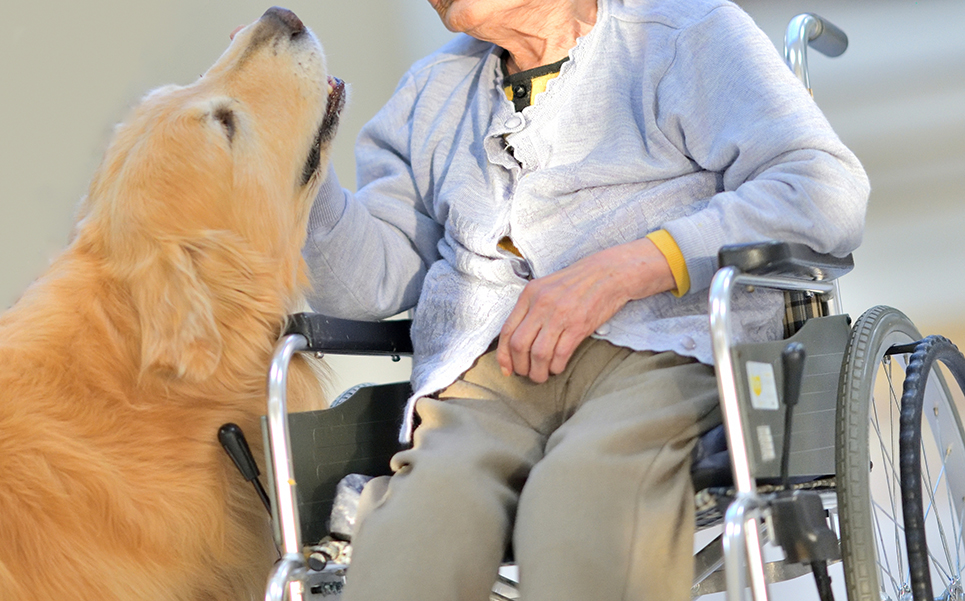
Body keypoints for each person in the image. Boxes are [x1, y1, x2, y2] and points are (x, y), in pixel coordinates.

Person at [302, 0, 869, 599]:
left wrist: (626, 268)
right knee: (414, 539)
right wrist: (301, 161)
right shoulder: (428, 95)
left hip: (662, 355)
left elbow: (821, 187)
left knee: (581, 501)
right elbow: (371, 282)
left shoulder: (680, 35)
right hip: (484, 386)